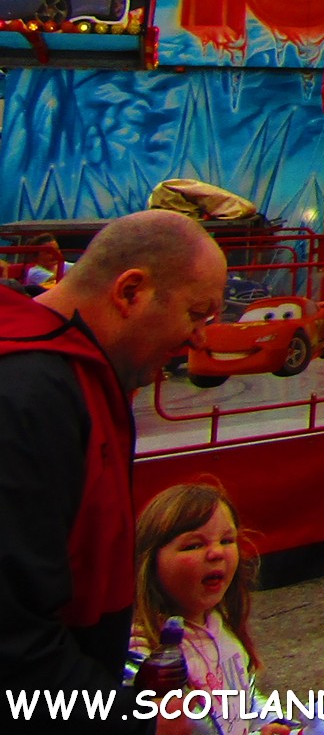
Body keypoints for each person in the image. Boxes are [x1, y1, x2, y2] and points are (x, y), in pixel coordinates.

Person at [0, 212, 227, 720]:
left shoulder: (76, 376)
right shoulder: (28, 395)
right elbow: (12, 637)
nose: (198, 339)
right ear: (130, 292)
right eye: (196, 313)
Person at [128, 481, 290, 734]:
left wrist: (272, 724)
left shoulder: (221, 628)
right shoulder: (141, 651)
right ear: (150, 562)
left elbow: (246, 698)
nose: (216, 553)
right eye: (193, 545)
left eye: (227, 540)